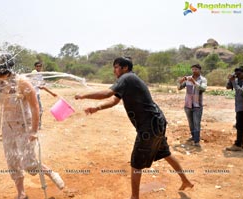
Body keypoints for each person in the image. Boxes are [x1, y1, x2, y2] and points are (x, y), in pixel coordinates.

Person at [75, 57, 193, 199]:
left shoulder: (127, 78)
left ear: (125, 68)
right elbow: (114, 100)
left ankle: (134, 197)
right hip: (156, 122)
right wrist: (97, 108)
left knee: (136, 162)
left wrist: (83, 95)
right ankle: (185, 180)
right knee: (164, 152)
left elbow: (107, 93)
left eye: (116, 67)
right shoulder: (128, 81)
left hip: (149, 126)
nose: (114, 70)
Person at [0, 54, 64, 199]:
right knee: (12, 162)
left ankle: (49, 172)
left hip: (24, 126)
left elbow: (35, 107)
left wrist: (34, 131)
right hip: (8, 127)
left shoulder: (22, 82)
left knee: (29, 164)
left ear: (6, 70)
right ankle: (21, 194)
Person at [177, 64, 207, 147]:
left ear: (199, 70)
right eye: (193, 69)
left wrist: (194, 82)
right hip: (188, 105)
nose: (194, 71)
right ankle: (193, 137)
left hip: (197, 105)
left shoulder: (203, 80)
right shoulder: (188, 79)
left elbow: (203, 89)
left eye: (196, 69)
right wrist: (180, 81)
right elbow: (179, 88)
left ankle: (196, 141)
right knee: (191, 123)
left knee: (197, 123)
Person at [31, 61, 57, 129]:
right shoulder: (34, 73)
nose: (38, 67)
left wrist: (46, 84)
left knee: (37, 110)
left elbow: (42, 84)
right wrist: (51, 93)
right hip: (34, 94)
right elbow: (40, 86)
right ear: (35, 67)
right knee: (39, 110)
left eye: (40, 66)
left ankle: (36, 125)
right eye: (37, 66)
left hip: (37, 94)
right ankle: (37, 125)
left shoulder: (40, 74)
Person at [226, 66, 243, 151]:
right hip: (239, 107)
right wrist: (230, 80)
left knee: (239, 126)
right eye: (236, 74)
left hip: (241, 108)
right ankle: (240, 143)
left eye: (239, 74)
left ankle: (238, 144)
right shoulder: (237, 80)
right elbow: (228, 87)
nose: (237, 75)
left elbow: (240, 91)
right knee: (240, 126)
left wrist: (233, 82)